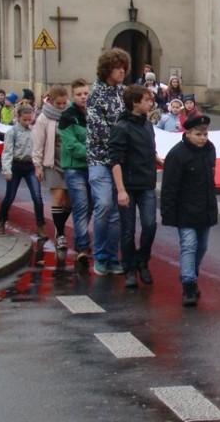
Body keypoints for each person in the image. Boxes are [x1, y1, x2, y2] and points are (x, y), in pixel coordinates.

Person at [161, 114, 218, 307]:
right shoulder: (177, 154)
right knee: (189, 245)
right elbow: (169, 186)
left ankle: (191, 274)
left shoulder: (210, 150)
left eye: (205, 134)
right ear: (188, 133)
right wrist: (168, 213)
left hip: (205, 209)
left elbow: (211, 180)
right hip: (185, 209)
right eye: (198, 134)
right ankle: (189, 285)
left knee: (202, 247)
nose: (203, 138)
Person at [109, 84, 161, 288]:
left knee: (149, 225)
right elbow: (115, 161)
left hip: (146, 183)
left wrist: (157, 158)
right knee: (128, 229)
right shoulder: (121, 127)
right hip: (128, 186)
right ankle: (129, 267)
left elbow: (149, 149)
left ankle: (142, 261)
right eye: (147, 100)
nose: (151, 103)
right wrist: (121, 190)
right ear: (135, 103)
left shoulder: (147, 125)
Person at [86, 47, 130, 276]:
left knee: (116, 212)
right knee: (104, 205)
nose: (122, 71)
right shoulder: (95, 94)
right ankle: (100, 254)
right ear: (107, 69)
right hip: (100, 159)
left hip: (120, 161)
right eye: (117, 67)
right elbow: (100, 131)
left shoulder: (124, 93)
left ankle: (112, 257)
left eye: (124, 67)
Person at [59, 79, 93, 272]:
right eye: (79, 94)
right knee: (80, 206)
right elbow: (71, 145)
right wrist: (92, 152)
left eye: (86, 94)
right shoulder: (67, 117)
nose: (83, 97)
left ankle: (80, 239)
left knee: (92, 205)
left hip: (92, 167)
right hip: (74, 167)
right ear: (73, 96)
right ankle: (82, 248)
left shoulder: (94, 114)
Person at [0, 105, 46, 237]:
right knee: (10, 196)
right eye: (24, 119)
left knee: (37, 197)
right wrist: (6, 170)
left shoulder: (34, 130)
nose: (27, 122)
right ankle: (1, 221)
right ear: (18, 117)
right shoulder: (12, 132)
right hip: (16, 165)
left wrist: (39, 166)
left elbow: (39, 149)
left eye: (30, 119)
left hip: (30, 166)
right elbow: (7, 152)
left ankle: (40, 226)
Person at [32, 85, 72, 248]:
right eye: (59, 104)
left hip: (69, 162)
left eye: (64, 103)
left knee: (69, 202)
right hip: (52, 161)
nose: (62, 107)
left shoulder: (71, 113)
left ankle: (59, 226)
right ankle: (60, 234)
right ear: (52, 101)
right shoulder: (44, 117)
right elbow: (38, 142)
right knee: (58, 197)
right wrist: (37, 165)